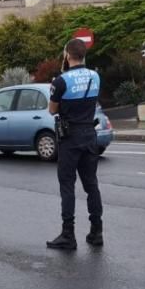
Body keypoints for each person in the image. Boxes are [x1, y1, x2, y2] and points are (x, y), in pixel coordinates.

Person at [47, 38, 103, 250]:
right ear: (84, 54)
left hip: (70, 138)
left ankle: (68, 234)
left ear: (67, 55)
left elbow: (52, 110)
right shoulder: (95, 76)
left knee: (67, 186)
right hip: (90, 134)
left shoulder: (61, 81)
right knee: (92, 185)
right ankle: (96, 231)